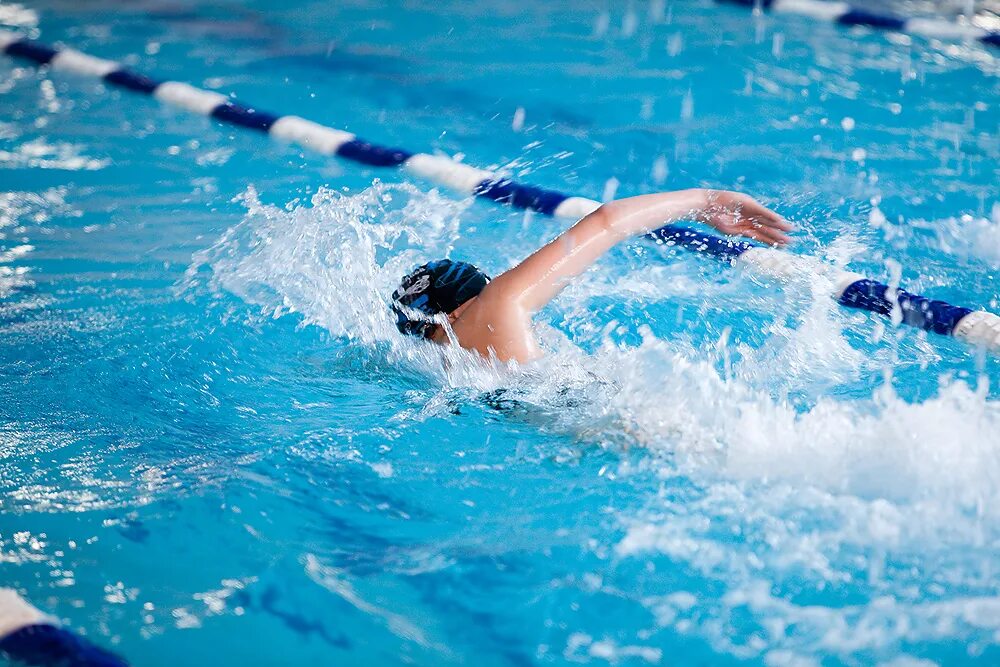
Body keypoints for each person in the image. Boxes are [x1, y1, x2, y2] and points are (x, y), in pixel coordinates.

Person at [391, 189, 791, 364]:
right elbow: (608, 220)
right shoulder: (495, 306)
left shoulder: (439, 362)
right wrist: (709, 201)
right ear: (461, 309)